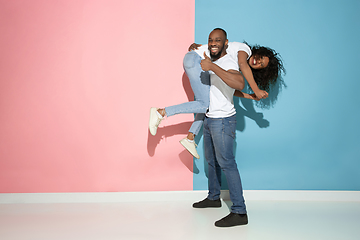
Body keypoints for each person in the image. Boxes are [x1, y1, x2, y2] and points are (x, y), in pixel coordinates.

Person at [149, 34, 284, 159]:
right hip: (197, 61)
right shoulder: (245, 51)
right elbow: (243, 65)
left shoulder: (232, 64)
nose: (257, 62)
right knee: (204, 104)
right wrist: (257, 89)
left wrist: (251, 96)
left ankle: (190, 138)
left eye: (261, 65)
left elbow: (228, 89)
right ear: (258, 52)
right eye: (260, 58)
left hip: (198, 62)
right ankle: (161, 112)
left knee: (209, 103)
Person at [190, 28, 247, 227]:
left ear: (225, 43)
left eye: (218, 40)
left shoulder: (228, 62)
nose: (213, 43)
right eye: (210, 40)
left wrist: (212, 68)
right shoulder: (212, 60)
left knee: (227, 164)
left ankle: (240, 212)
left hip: (223, 121)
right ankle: (214, 197)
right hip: (209, 118)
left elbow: (239, 83)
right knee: (212, 162)